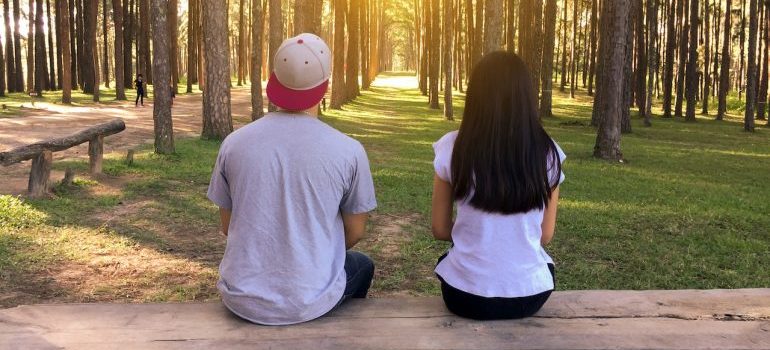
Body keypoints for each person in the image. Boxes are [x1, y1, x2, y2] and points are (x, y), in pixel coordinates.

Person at [207, 33, 377, 325]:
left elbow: (227, 226)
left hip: (241, 297)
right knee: (362, 266)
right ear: (325, 86)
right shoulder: (349, 151)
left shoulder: (234, 144)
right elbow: (355, 231)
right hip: (309, 300)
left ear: (274, 80)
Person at [430, 51, 566, 320]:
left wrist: (475, 236)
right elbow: (545, 235)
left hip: (464, 296)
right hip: (529, 296)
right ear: (526, 98)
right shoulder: (549, 153)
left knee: (448, 263)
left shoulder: (452, 147)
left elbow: (439, 228)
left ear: (475, 97)